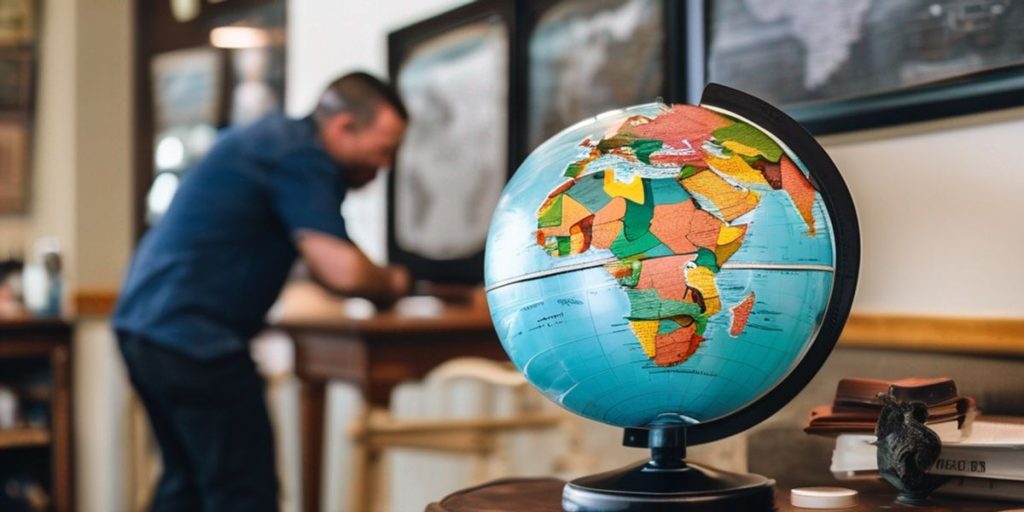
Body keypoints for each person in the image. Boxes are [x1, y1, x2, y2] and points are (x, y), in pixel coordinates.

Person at [112, 72, 410, 512]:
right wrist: (393, 284)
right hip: (192, 336)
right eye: (383, 150)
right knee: (243, 494)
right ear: (342, 126)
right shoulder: (302, 156)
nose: (385, 165)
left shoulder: (272, 141)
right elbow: (340, 269)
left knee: (187, 485)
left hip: (144, 326)